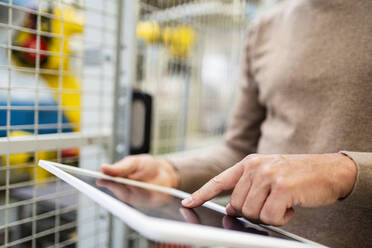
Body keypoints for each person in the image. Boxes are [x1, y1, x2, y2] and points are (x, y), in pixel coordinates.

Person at [101, 0, 372, 247]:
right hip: (258, 238)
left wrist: (343, 172)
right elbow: (239, 150)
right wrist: (172, 171)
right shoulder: (265, 28)